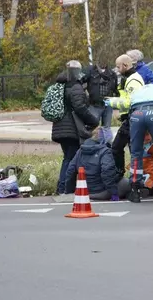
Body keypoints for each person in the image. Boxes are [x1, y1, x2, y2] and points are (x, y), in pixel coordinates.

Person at [51, 60, 99, 195]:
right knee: (71, 159)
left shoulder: (60, 84)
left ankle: (64, 187)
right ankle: (64, 188)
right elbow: (80, 108)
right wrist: (93, 120)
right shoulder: (75, 86)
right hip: (71, 128)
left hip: (60, 126)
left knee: (68, 157)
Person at [107, 54, 145, 187]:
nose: (117, 69)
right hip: (130, 118)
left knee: (117, 146)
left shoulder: (133, 80)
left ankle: (120, 172)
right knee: (133, 150)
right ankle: (136, 180)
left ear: (125, 65)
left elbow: (131, 102)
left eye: (118, 66)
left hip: (133, 118)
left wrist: (112, 102)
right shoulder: (128, 78)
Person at [63, 127, 122, 200]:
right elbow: (107, 171)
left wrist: (69, 192)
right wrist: (114, 192)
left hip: (84, 191)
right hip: (101, 192)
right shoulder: (105, 151)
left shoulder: (80, 151)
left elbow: (70, 171)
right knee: (125, 182)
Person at [83, 63, 118, 144]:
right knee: (92, 125)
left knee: (107, 127)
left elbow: (115, 89)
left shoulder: (112, 74)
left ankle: (107, 146)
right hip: (94, 104)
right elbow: (81, 83)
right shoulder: (90, 72)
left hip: (108, 104)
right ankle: (90, 144)